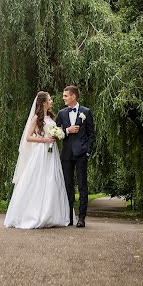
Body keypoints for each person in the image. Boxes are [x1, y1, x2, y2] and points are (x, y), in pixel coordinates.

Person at [4, 91, 70, 229]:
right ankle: (33, 214)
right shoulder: (36, 118)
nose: (52, 101)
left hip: (52, 153)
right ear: (44, 102)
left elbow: (57, 131)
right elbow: (28, 137)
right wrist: (45, 139)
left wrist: (58, 135)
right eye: (50, 99)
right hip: (41, 152)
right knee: (38, 180)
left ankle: (53, 215)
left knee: (52, 179)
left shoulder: (52, 117)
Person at [55, 85, 95, 228]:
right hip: (66, 155)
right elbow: (55, 132)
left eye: (65, 96)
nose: (63, 98)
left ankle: (82, 218)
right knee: (68, 186)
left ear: (73, 96)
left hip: (81, 154)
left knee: (82, 186)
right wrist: (68, 130)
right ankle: (69, 217)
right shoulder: (61, 113)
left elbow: (91, 134)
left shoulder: (86, 112)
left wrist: (88, 150)